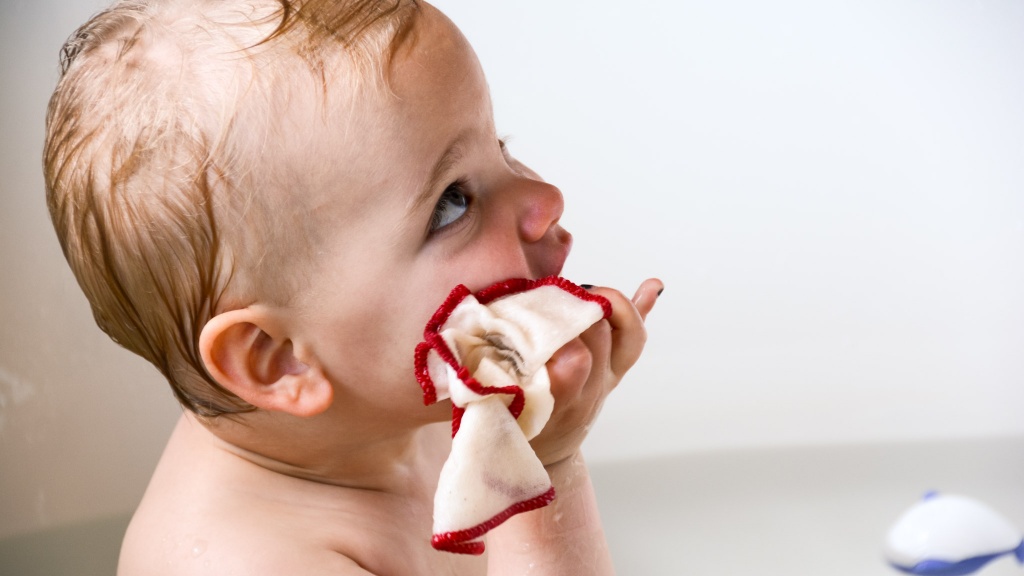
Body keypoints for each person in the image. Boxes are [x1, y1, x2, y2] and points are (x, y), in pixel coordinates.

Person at [43, 0, 663, 574]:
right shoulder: (248, 561)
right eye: (452, 202)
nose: (545, 200)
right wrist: (548, 469)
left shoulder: (374, 403)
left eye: (499, 146)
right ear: (278, 359)